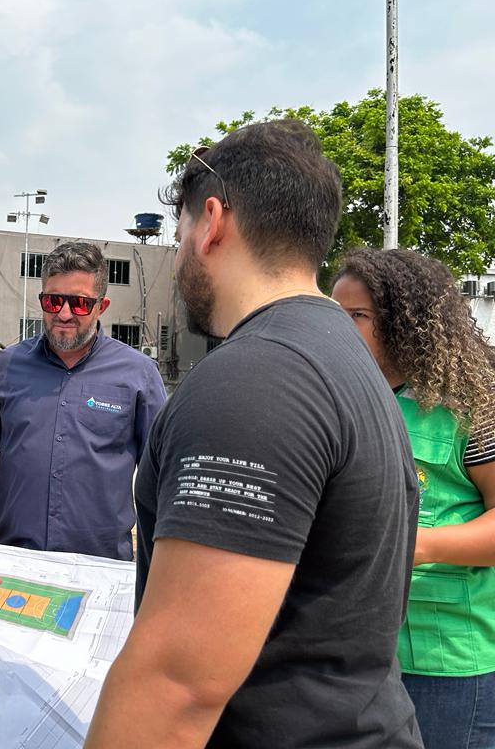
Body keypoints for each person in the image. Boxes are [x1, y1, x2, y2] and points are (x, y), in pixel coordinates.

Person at [85, 120, 422, 748]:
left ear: (212, 222)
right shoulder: (340, 356)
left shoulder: (256, 378)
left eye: (182, 232)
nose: (181, 251)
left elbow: (176, 687)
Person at [333, 248, 495, 749]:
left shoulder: (472, 403)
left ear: (408, 321)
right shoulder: (339, 396)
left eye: (357, 316)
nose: (341, 329)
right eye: (334, 314)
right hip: (356, 652)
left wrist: (415, 544)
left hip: (449, 657)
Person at [0, 241, 167, 561]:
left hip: (100, 565)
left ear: (101, 306)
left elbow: (162, 470)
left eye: (78, 303)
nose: (63, 313)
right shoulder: (7, 367)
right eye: (53, 301)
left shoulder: (138, 375)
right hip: (14, 560)